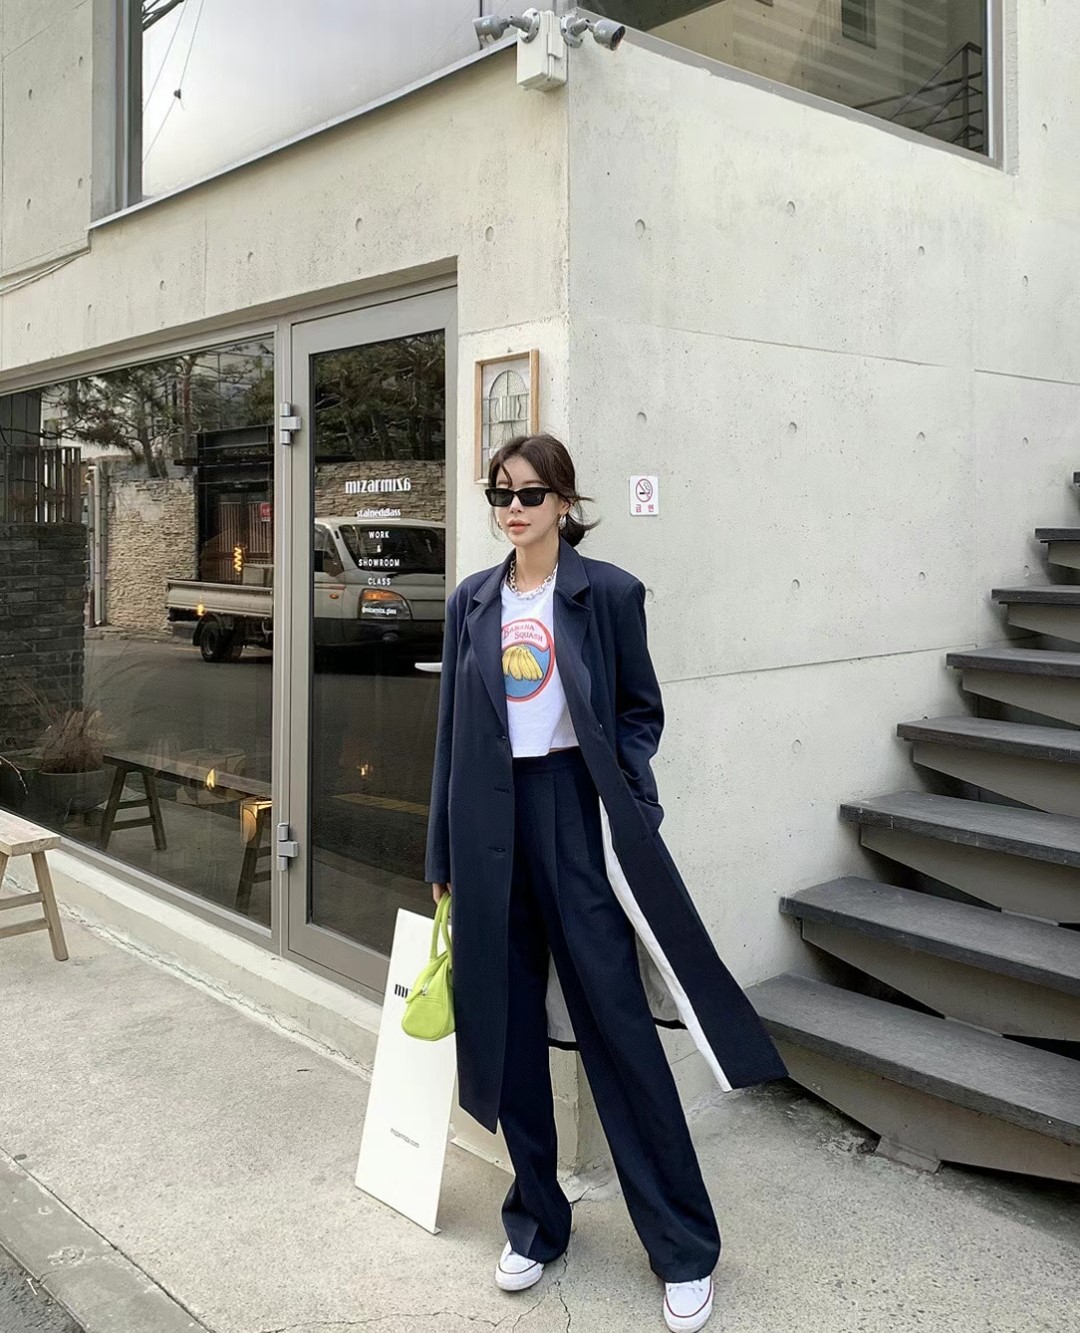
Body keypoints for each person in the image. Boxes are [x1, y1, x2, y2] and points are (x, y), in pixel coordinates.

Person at [425, 433, 785, 1333]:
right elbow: (450, 735)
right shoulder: (472, 600)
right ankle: (536, 1221)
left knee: (618, 1029)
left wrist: (630, 797)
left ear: (564, 501)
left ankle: (684, 1248)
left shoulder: (608, 593)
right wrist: (441, 858)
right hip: (486, 825)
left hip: (571, 815)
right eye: (500, 493)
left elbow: (638, 711)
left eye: (530, 493)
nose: (514, 508)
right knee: (506, 1029)